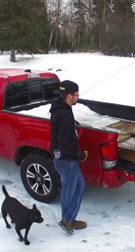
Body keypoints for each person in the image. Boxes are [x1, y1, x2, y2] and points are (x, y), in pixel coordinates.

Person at [50, 80, 88, 235]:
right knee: (75, 188)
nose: (78, 97)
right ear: (69, 95)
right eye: (76, 94)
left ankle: (67, 219)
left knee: (73, 187)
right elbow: (65, 143)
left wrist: (72, 125)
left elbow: (61, 133)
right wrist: (80, 154)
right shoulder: (64, 115)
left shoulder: (59, 108)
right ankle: (68, 220)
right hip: (66, 160)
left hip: (60, 158)